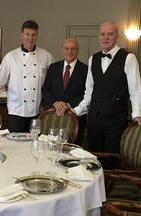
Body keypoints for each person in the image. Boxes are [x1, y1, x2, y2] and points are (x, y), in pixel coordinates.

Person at [73, 21, 141, 169]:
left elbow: (136, 90)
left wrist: (137, 115)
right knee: (93, 161)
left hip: (115, 120)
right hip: (94, 119)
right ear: (99, 36)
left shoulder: (129, 58)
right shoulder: (93, 59)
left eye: (110, 34)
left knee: (112, 161)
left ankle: (110, 191)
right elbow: (89, 91)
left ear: (117, 35)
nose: (106, 37)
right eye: (102, 34)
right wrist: (75, 111)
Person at [0, 20, 54, 132]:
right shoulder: (11, 56)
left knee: (34, 143)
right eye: (27, 34)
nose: (30, 38)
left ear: (37, 36)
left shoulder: (46, 56)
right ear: (21, 36)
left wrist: (54, 102)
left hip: (37, 110)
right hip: (16, 109)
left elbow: (53, 81)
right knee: (17, 143)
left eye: (33, 34)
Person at [42, 38, 88, 146]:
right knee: (52, 148)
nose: (70, 51)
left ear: (78, 50)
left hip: (76, 117)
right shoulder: (53, 68)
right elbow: (45, 89)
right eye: (67, 48)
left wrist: (68, 105)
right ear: (62, 50)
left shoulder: (86, 69)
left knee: (73, 151)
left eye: (73, 49)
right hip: (54, 117)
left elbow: (87, 93)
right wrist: (55, 103)